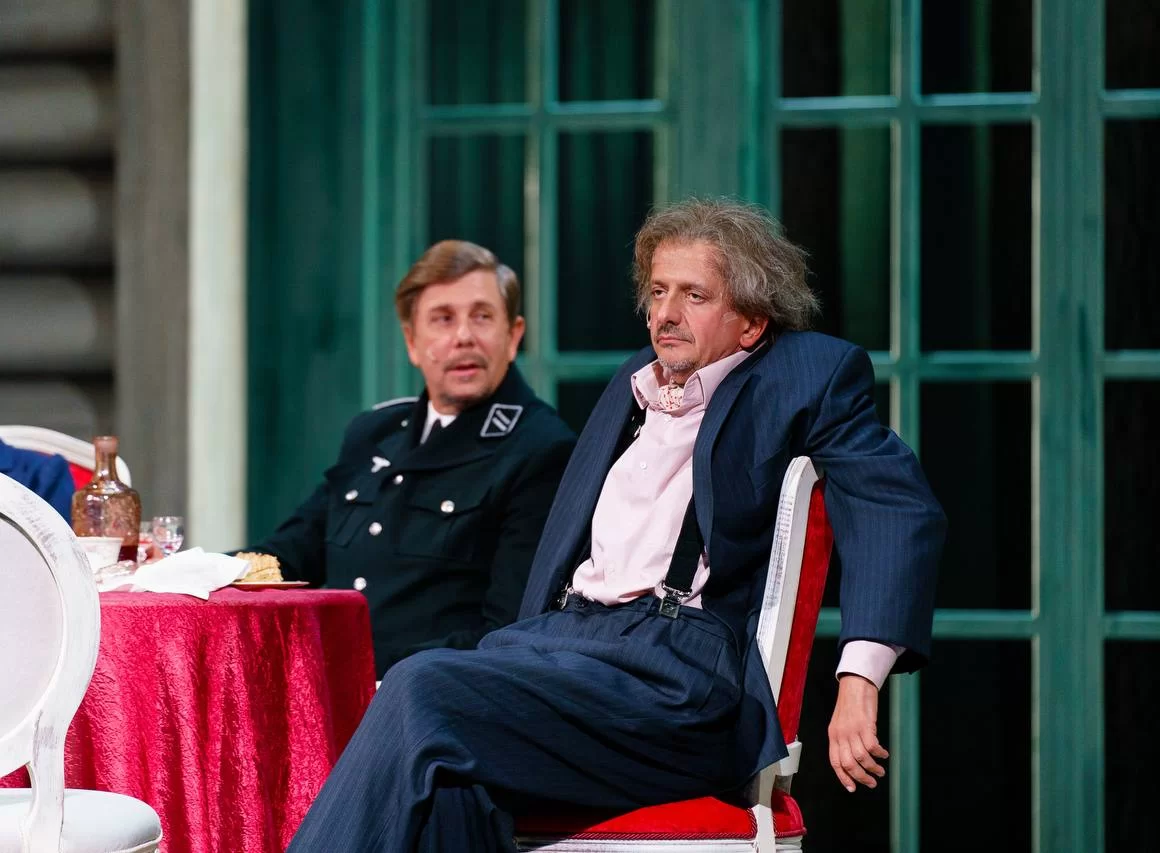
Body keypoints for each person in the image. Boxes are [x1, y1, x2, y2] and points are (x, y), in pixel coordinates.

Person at [286, 200, 946, 851]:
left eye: (694, 295)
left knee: (420, 685)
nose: (665, 313)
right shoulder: (633, 379)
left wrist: (859, 678)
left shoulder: (803, 373)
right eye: (658, 291)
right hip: (561, 644)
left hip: (676, 674)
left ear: (749, 322)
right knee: (446, 782)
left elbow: (895, 503)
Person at [244, 240, 575, 676]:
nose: (463, 336)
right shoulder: (375, 433)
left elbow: (508, 631)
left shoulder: (540, 448)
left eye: (482, 316)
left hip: (430, 702)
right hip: (334, 693)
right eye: (443, 319)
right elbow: (288, 554)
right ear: (412, 342)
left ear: (513, 337)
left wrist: (371, 676)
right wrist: (183, 570)